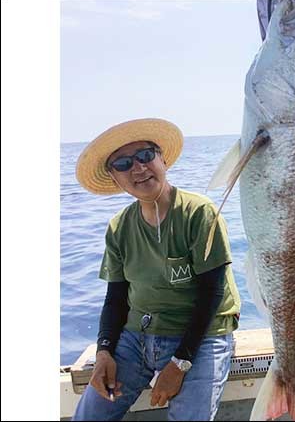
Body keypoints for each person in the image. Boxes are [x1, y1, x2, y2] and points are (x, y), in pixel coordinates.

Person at [72, 118, 242, 421]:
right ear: (114, 178)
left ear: (162, 159)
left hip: (202, 338)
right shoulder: (119, 227)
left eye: (146, 155)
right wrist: (104, 351)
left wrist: (180, 363)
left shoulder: (199, 213)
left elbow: (212, 293)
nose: (138, 168)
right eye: (123, 163)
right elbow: (115, 298)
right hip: (137, 338)